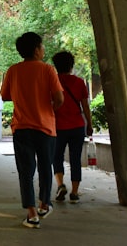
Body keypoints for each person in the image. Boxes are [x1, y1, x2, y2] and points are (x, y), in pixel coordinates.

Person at [0, 31, 63, 229]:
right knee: (45, 167)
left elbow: (5, 96)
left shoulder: (13, 71)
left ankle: (32, 214)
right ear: (36, 50)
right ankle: (45, 204)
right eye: (42, 46)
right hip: (45, 128)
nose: (43, 50)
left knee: (25, 171)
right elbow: (59, 99)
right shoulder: (48, 70)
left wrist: (24, 97)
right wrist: (46, 109)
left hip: (22, 128)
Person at [51, 51, 93, 204]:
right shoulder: (79, 82)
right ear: (71, 65)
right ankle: (74, 193)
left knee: (57, 157)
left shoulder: (53, 81)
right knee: (75, 159)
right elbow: (85, 106)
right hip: (77, 126)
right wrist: (89, 124)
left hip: (58, 126)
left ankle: (60, 184)